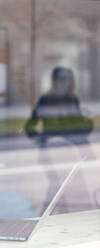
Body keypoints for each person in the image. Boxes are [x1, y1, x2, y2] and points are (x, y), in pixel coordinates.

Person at [24, 66, 94, 213]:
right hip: (55, 152)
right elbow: (30, 127)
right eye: (62, 79)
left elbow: (79, 128)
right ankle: (47, 213)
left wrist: (88, 121)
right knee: (59, 186)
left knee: (60, 187)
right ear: (55, 81)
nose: (65, 83)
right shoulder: (48, 100)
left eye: (68, 79)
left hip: (68, 152)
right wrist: (43, 140)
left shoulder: (71, 99)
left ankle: (47, 214)